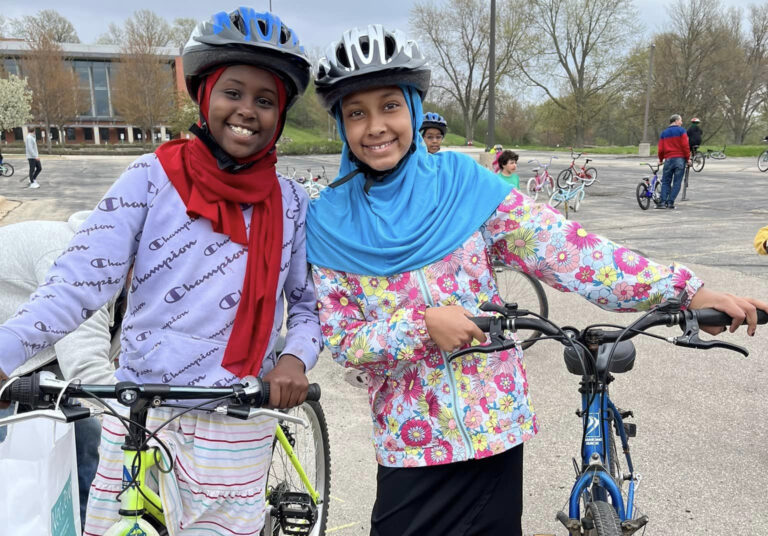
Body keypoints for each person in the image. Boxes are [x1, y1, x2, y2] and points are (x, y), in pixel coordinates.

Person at [306, 25, 764, 536]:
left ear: (412, 107)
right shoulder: (328, 221)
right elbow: (345, 341)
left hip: (494, 430)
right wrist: (421, 325)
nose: (375, 126)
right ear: (341, 124)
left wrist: (687, 291)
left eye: (389, 105)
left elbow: (574, 253)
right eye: (355, 112)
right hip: (411, 445)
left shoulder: (466, 188)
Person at [0, 8, 321, 536]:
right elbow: (77, 282)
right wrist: (6, 356)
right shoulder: (149, 178)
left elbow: (306, 304)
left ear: (281, 114)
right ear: (205, 95)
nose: (247, 111)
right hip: (140, 416)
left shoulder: (291, 203)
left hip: (240, 420)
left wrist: (293, 358)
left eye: (266, 101)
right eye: (233, 92)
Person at [0, 211, 122, 527]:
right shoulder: (83, 263)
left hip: (39, 366)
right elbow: (87, 370)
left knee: (84, 448)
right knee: (13, 470)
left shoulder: (129, 276)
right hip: (10, 364)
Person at [657, 113, 690, 210]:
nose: (681, 122)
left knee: (666, 182)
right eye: (680, 120)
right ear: (676, 121)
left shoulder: (664, 133)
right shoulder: (682, 131)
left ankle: (662, 202)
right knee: (677, 182)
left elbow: (661, 149)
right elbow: (685, 146)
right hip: (680, 159)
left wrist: (660, 159)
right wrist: (688, 159)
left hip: (668, 160)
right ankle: (670, 203)